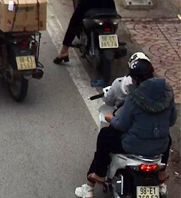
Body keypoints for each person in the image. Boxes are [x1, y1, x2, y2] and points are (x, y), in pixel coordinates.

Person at [74, 58, 175, 198]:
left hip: (133, 146)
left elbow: (122, 125)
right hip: (160, 147)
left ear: (135, 78)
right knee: (167, 138)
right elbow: (172, 120)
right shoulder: (167, 93)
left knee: (105, 135)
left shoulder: (134, 97)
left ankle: (99, 174)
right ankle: (161, 174)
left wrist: (111, 118)